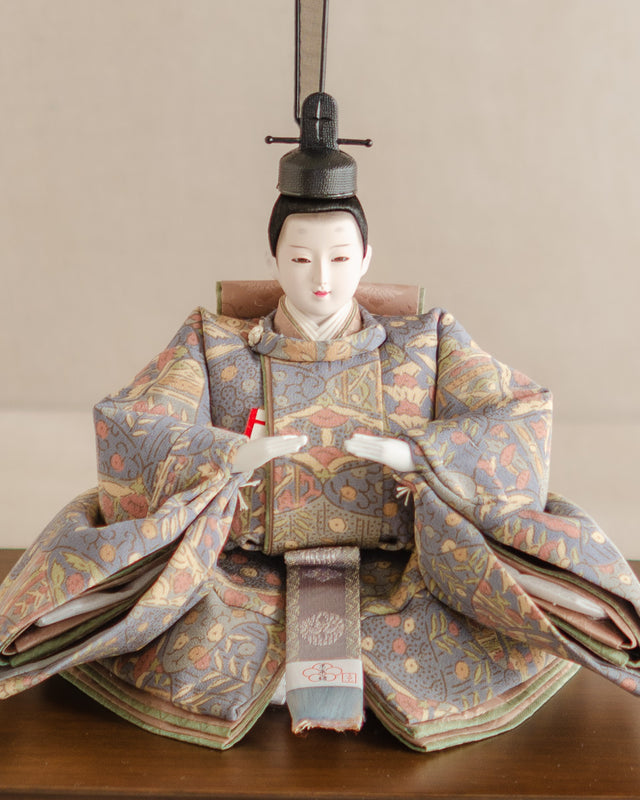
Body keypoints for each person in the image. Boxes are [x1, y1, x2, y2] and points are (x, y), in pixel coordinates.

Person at [0, 94, 639, 751]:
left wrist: (422, 457)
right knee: (187, 637)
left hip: (402, 573)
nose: (322, 279)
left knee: (471, 634)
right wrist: (227, 457)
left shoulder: (428, 340)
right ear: (274, 259)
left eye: (340, 257)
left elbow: (517, 417)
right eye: (302, 259)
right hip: (241, 571)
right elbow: (135, 422)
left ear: (367, 257)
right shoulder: (215, 344)